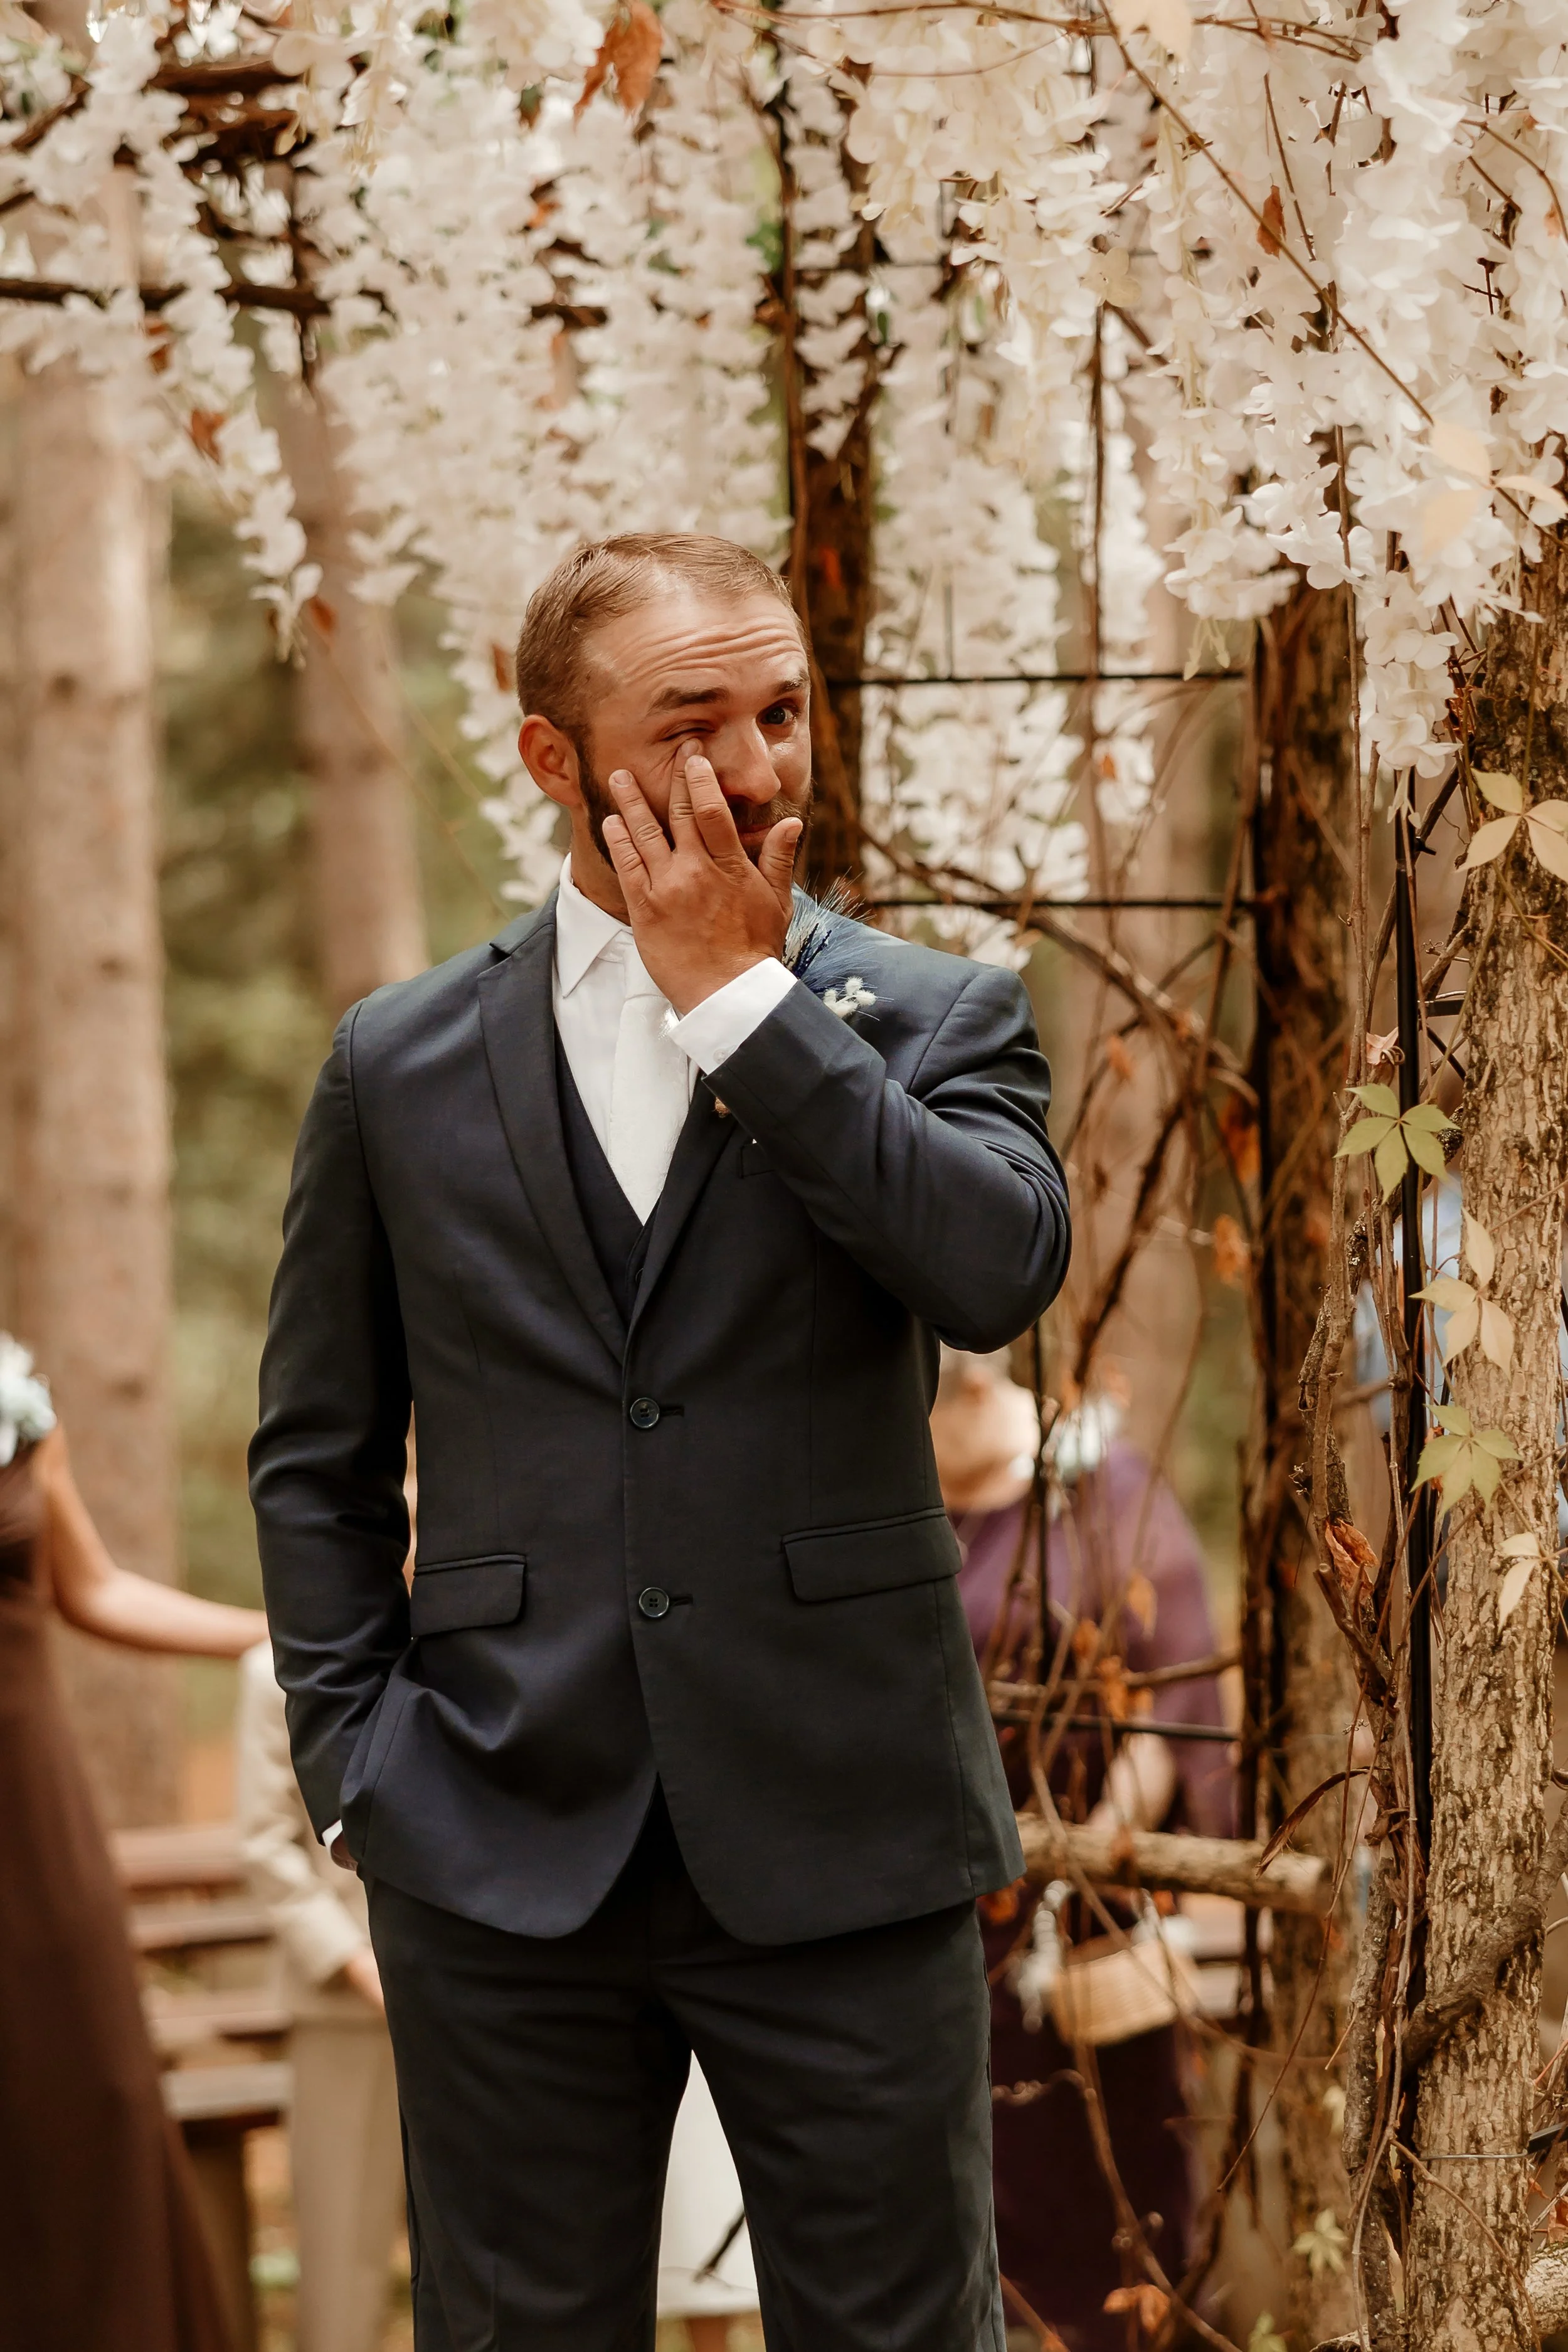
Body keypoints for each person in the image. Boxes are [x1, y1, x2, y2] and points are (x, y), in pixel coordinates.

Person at [251, 531, 1071, 2351]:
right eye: (695, 721)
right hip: (491, 1838)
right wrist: (356, 1753)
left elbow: (991, 1266)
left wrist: (746, 1007)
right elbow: (314, 1454)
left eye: (782, 710)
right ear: (553, 759)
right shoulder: (395, 1063)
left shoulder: (933, 1016)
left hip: (848, 1835)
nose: (761, 765)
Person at [931, 1349, 1233, 2352]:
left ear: (976, 1387)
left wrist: (1097, 1839)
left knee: (1110, 2189)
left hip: (1082, 1914)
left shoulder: (1104, 1491)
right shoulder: (918, 1511)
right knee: (975, 2185)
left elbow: (1174, 1689)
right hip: (950, 1913)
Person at [0, 1333, 268, 2352]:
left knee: (85, 2099)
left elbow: (97, 1590)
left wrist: (286, 1634)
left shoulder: (17, 1407)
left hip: (30, 1828)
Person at [235, 1639, 405, 2352]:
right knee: (343, 2256)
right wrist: (353, 1963)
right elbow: (265, 1842)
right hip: (345, 2008)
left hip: (489, 1998)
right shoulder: (266, 1668)